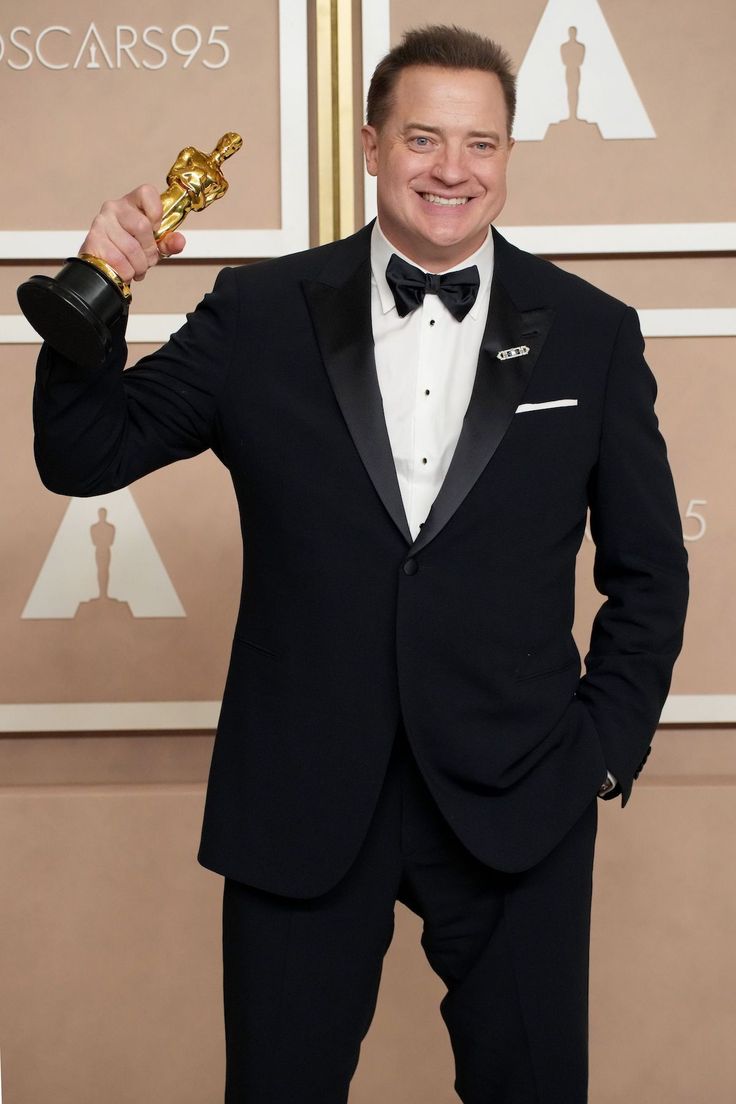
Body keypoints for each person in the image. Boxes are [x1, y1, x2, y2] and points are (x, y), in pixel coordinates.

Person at [32, 24, 688, 1104]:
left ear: (509, 157)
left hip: (520, 795)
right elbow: (82, 452)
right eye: (424, 138)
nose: (452, 169)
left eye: (480, 143)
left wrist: (600, 750)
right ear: (372, 145)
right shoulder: (258, 313)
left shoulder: (592, 332)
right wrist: (97, 286)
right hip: (300, 794)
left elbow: (650, 573)